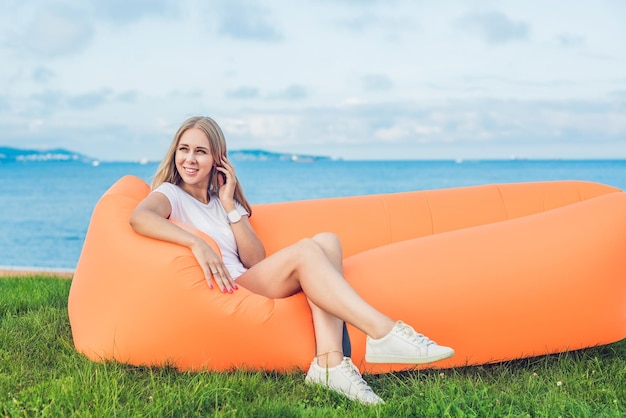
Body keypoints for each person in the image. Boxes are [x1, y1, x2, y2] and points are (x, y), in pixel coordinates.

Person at [130, 116, 454, 405]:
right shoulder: (172, 194)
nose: (189, 158)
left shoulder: (221, 201)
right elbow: (140, 217)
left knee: (327, 240)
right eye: (183, 149)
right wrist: (196, 242)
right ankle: (383, 332)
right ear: (174, 153)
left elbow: (255, 258)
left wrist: (229, 205)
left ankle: (329, 363)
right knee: (305, 250)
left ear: (217, 158)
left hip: (245, 279)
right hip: (224, 289)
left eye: (200, 151)